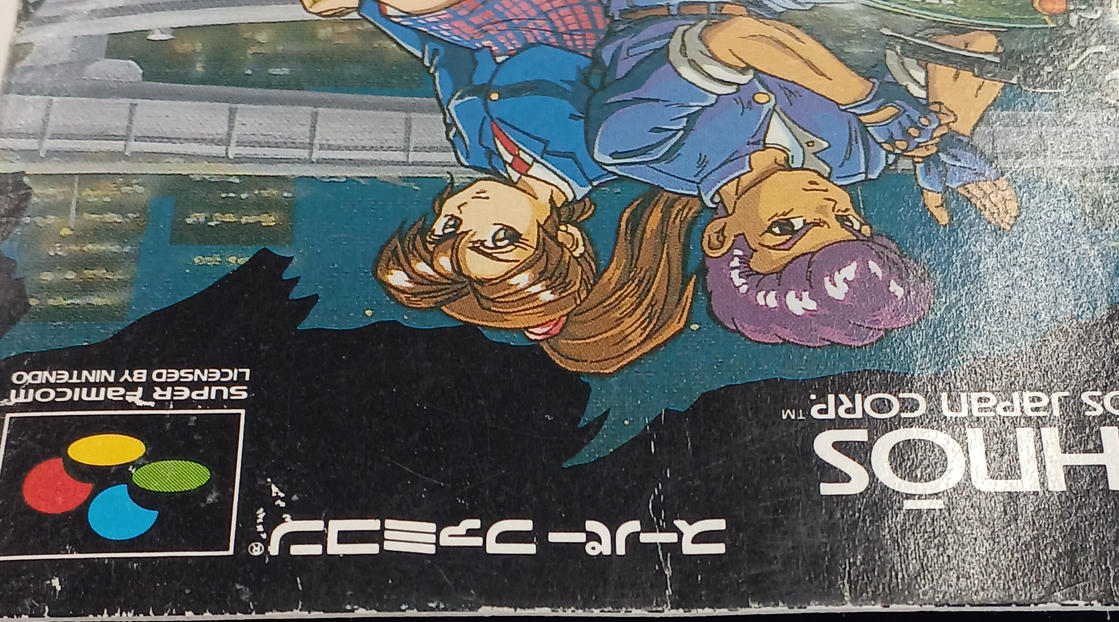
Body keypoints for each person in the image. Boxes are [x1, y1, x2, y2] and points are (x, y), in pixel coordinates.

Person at [301, 0, 702, 372]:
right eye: (500, 238)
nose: (469, 213)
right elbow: (602, 49)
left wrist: (371, 8)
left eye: (448, 229)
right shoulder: (598, 151)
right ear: (567, 239)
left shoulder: (475, 148)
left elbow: (444, 54)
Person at [587, 9, 1018, 345]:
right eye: (847, 222)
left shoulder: (637, 148)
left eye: (788, 227)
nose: (826, 204)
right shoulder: (854, 158)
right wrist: (946, 132)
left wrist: (870, 103)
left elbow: (737, 37)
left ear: (719, 236)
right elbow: (974, 46)